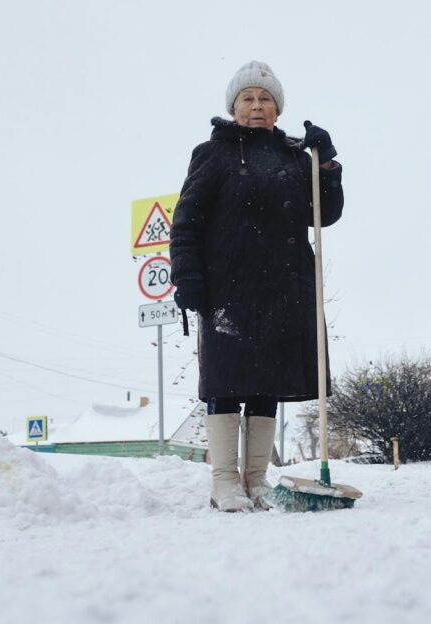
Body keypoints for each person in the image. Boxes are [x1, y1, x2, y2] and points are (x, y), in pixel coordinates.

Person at [170, 60, 344, 512]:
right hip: (227, 287)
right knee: (226, 381)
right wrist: (186, 274)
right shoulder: (213, 154)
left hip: (284, 287)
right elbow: (186, 221)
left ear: (278, 109)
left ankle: (256, 479)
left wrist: (325, 163)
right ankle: (225, 481)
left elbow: (325, 213)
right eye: (247, 98)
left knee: (267, 382)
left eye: (266, 99)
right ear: (232, 106)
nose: (256, 106)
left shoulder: (293, 155)